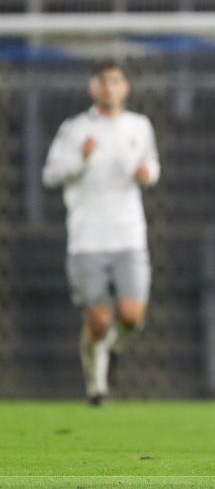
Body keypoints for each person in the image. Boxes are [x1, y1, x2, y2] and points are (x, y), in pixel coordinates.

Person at [42, 61, 160, 406]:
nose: (110, 87)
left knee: (131, 316)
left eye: (116, 81)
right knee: (97, 319)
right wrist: (80, 159)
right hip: (87, 237)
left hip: (128, 234)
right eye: (103, 82)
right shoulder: (75, 129)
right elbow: (51, 175)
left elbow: (152, 165)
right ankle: (97, 385)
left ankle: (108, 349)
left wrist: (146, 173)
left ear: (126, 88)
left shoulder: (139, 125)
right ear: (93, 89)